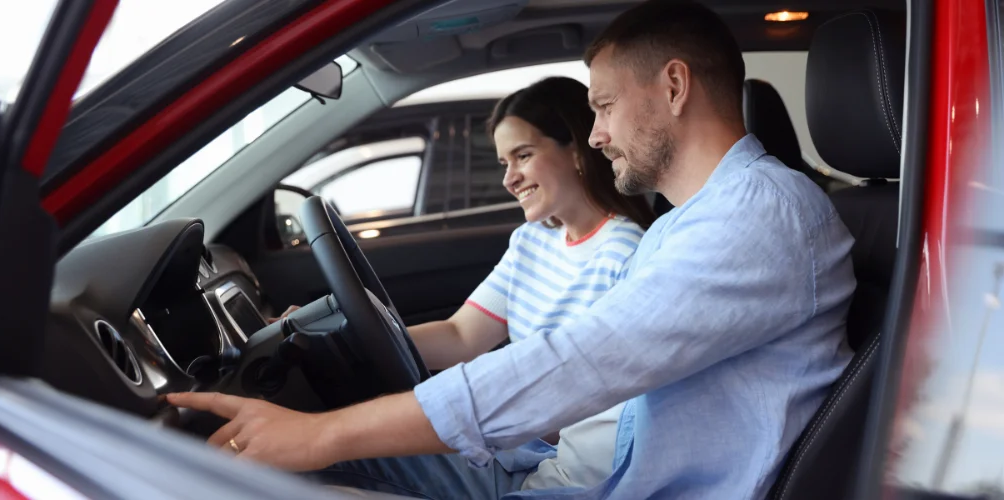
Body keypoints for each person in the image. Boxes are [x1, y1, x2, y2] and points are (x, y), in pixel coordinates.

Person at [168, 1, 857, 499]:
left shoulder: (759, 217)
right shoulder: (695, 222)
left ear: (674, 87)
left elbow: (579, 364)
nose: (595, 135)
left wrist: (322, 435)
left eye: (606, 106)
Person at [273, 75, 658, 490]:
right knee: (317, 463)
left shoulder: (626, 253)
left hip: (556, 465)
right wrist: (350, 337)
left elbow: (590, 406)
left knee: (317, 470)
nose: (510, 179)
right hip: (516, 445)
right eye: (504, 163)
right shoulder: (534, 239)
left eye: (523, 156)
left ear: (578, 151)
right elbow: (462, 334)